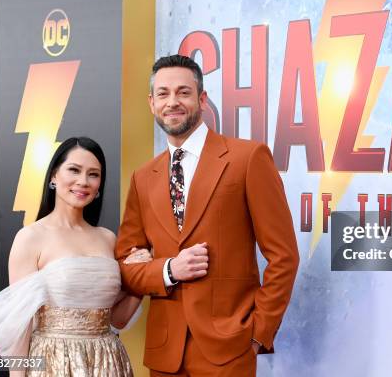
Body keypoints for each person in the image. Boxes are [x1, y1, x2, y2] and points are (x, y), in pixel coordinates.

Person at [116, 55, 300, 376]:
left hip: (230, 350)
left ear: (202, 99)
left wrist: (257, 334)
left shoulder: (247, 158)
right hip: (165, 355)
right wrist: (168, 270)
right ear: (151, 103)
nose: (172, 102)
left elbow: (284, 256)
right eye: (163, 94)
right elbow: (125, 268)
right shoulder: (143, 177)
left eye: (183, 92)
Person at [0, 137, 151, 376]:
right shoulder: (30, 237)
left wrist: (140, 280)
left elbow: (117, 320)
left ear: (100, 185)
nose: (83, 181)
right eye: (74, 170)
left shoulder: (108, 239)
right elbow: (20, 330)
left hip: (108, 361)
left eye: (93, 174)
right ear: (53, 176)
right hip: (53, 363)